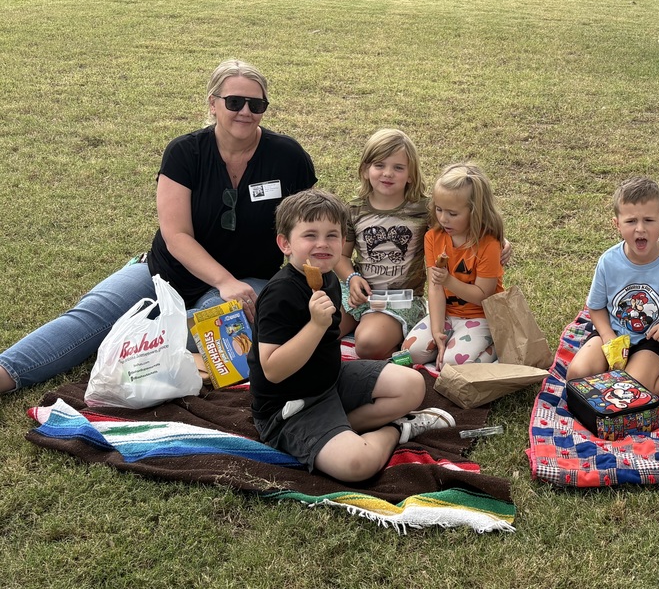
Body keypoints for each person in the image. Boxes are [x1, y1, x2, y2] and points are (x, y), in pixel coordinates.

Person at [0, 60, 316, 394]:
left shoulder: (287, 156)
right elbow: (176, 234)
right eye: (234, 102)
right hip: (167, 269)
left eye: (257, 104)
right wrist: (223, 281)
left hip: (248, 279)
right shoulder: (185, 152)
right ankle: (8, 373)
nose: (246, 112)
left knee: (209, 323)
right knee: (90, 316)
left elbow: (312, 222)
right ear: (213, 103)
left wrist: (332, 278)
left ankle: (129, 347)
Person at [249, 188, 453, 482]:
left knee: (412, 384)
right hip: (289, 409)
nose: (323, 243)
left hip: (330, 381)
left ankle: (340, 429)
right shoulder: (279, 294)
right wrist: (316, 326)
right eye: (310, 235)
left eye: (332, 235)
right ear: (285, 243)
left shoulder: (329, 278)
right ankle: (396, 429)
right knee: (357, 464)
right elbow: (272, 370)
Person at [566, 177, 659, 395]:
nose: (640, 229)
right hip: (613, 334)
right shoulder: (608, 262)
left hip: (652, 341)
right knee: (576, 376)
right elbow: (596, 307)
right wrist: (608, 335)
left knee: (633, 391)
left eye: (648, 220)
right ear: (616, 224)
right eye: (630, 221)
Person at [336, 129, 431, 360]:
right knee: (318, 329)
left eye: (398, 167)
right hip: (357, 294)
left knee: (367, 344)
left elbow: (460, 228)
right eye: (379, 165)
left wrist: (500, 242)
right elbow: (341, 257)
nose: (388, 173)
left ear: (410, 174)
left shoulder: (425, 210)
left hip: (401, 300)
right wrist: (351, 278)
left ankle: (396, 346)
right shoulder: (355, 210)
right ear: (365, 170)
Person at [403, 163, 505, 369]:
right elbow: (435, 288)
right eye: (439, 210)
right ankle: (450, 342)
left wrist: (449, 279)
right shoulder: (433, 237)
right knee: (411, 351)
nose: (443, 218)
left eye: (452, 213)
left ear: (475, 212)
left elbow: (483, 295)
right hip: (447, 313)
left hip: (480, 317)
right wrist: (437, 330)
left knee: (451, 364)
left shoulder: (488, 244)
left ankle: (497, 345)